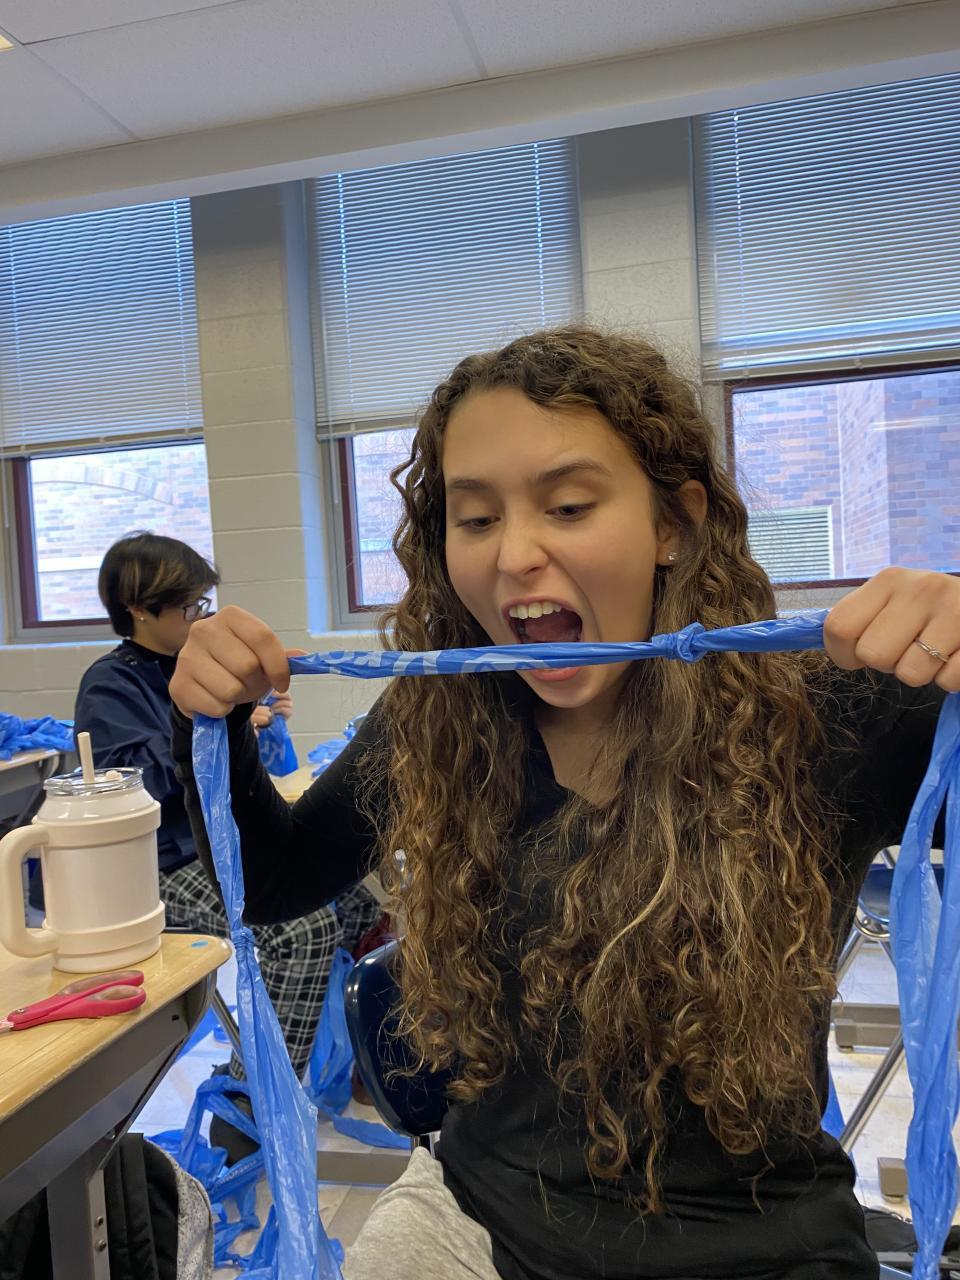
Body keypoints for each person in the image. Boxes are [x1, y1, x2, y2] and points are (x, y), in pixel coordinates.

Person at [168, 327, 957, 1280]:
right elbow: (275, 880)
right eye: (475, 518)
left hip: (759, 1246)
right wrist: (212, 723)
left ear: (675, 523)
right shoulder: (442, 715)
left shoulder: (821, 709)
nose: (515, 555)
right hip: (476, 1218)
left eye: (570, 506)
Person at [74, 532, 382, 1162]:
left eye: (203, 604)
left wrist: (251, 723)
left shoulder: (194, 667)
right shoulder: (110, 683)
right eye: (188, 607)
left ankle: (345, 1060)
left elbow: (253, 786)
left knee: (356, 901)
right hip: (165, 867)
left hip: (217, 851)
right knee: (300, 931)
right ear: (138, 609)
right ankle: (247, 1107)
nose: (200, 619)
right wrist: (207, 724)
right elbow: (134, 784)